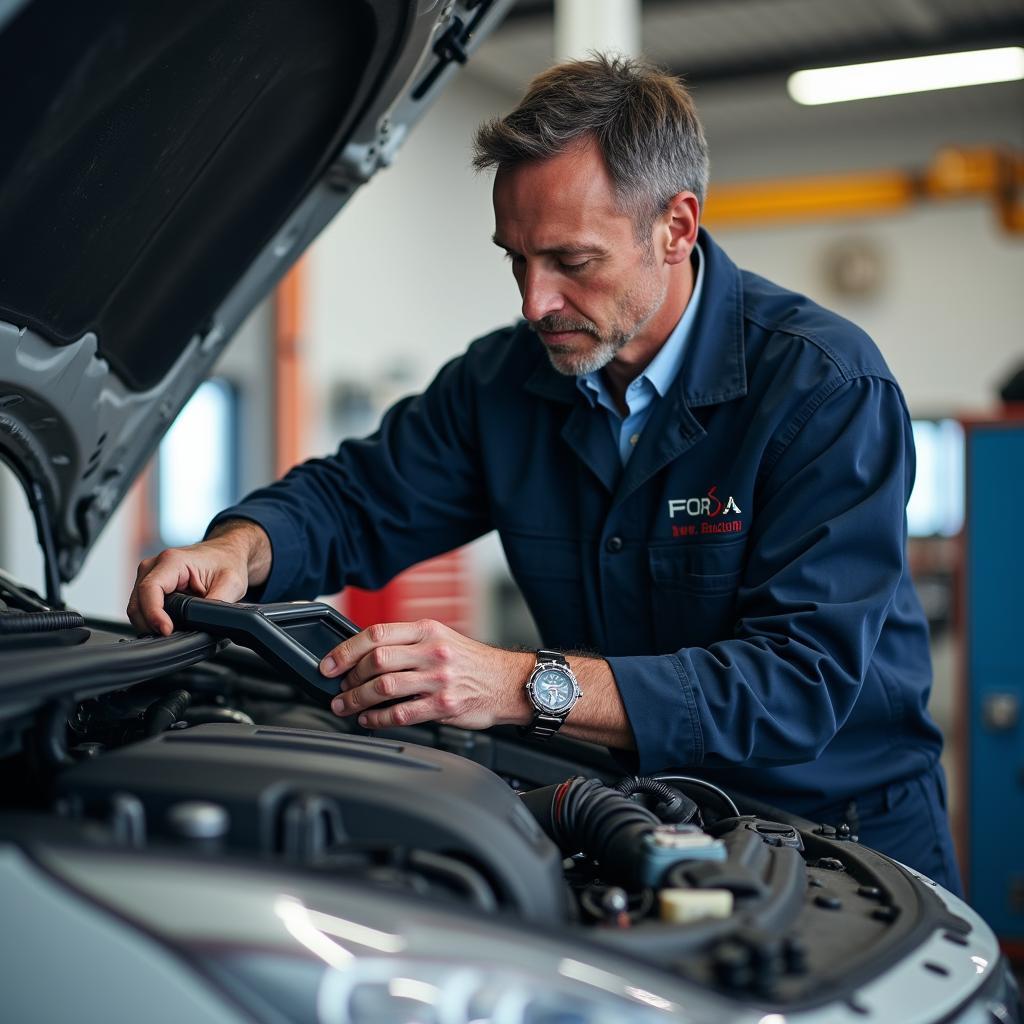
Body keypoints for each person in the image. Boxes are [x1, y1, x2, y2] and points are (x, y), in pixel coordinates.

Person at [128, 55, 961, 893]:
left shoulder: (824, 388)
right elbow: (357, 498)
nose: (534, 302)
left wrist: (520, 684)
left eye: (572, 260)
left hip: (843, 852)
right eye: (516, 260)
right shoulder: (504, 384)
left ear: (675, 227)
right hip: (639, 822)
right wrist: (244, 545)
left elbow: (796, 682)